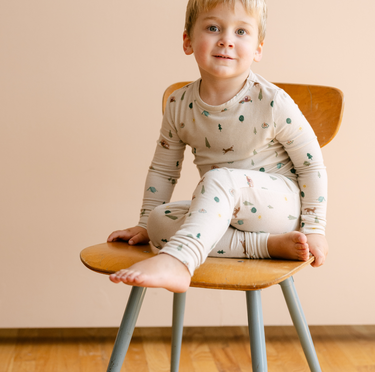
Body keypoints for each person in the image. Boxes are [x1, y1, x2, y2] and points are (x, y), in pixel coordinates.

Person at [108, 0, 328, 293]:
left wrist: (314, 228)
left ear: (258, 49)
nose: (226, 40)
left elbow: (311, 165)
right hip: (223, 206)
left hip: (278, 206)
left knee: (217, 179)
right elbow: (163, 170)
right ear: (188, 41)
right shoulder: (178, 104)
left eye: (241, 31)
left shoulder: (273, 102)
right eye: (213, 28)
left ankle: (179, 262)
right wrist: (144, 222)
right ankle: (265, 246)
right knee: (160, 224)